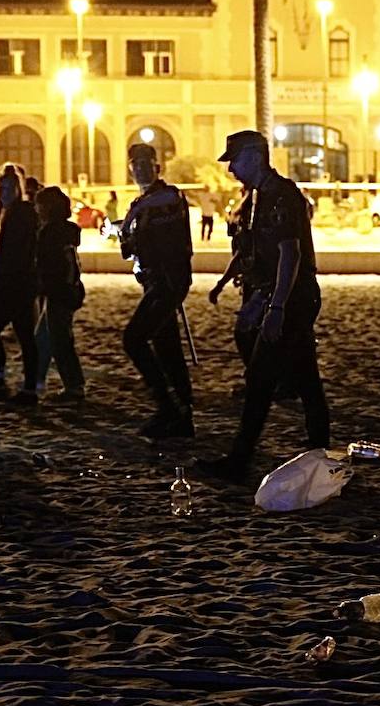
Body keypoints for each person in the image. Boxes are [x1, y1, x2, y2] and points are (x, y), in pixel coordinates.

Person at [199, 130, 329, 483]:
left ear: (255, 158)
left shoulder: (280, 196)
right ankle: (320, 450)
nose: (232, 170)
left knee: (261, 379)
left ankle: (240, 460)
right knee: (306, 379)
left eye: (236, 161)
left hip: (291, 298)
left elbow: (291, 253)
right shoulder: (259, 196)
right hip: (283, 297)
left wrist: (277, 309)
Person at [119, 142, 194, 438]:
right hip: (153, 282)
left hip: (168, 282)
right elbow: (132, 247)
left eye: (145, 163)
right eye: (135, 164)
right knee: (168, 348)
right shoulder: (142, 203)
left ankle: (167, 406)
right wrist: (122, 230)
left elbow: (169, 202)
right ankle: (182, 414)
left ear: (157, 166)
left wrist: (132, 216)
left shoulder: (167, 197)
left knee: (133, 339)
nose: (140, 168)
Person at [0, 163, 40, 405]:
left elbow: (15, 253)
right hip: (17, 282)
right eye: (2, 187)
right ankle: (23, 387)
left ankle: (4, 383)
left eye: (10, 186)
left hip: (15, 283)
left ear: (18, 188)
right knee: (21, 335)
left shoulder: (19, 213)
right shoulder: (11, 213)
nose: (5, 191)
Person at [32, 185, 86, 403]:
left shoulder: (49, 233)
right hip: (70, 289)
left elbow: (48, 264)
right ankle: (36, 381)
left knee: (58, 340)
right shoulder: (69, 231)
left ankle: (73, 386)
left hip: (58, 291)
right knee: (45, 337)